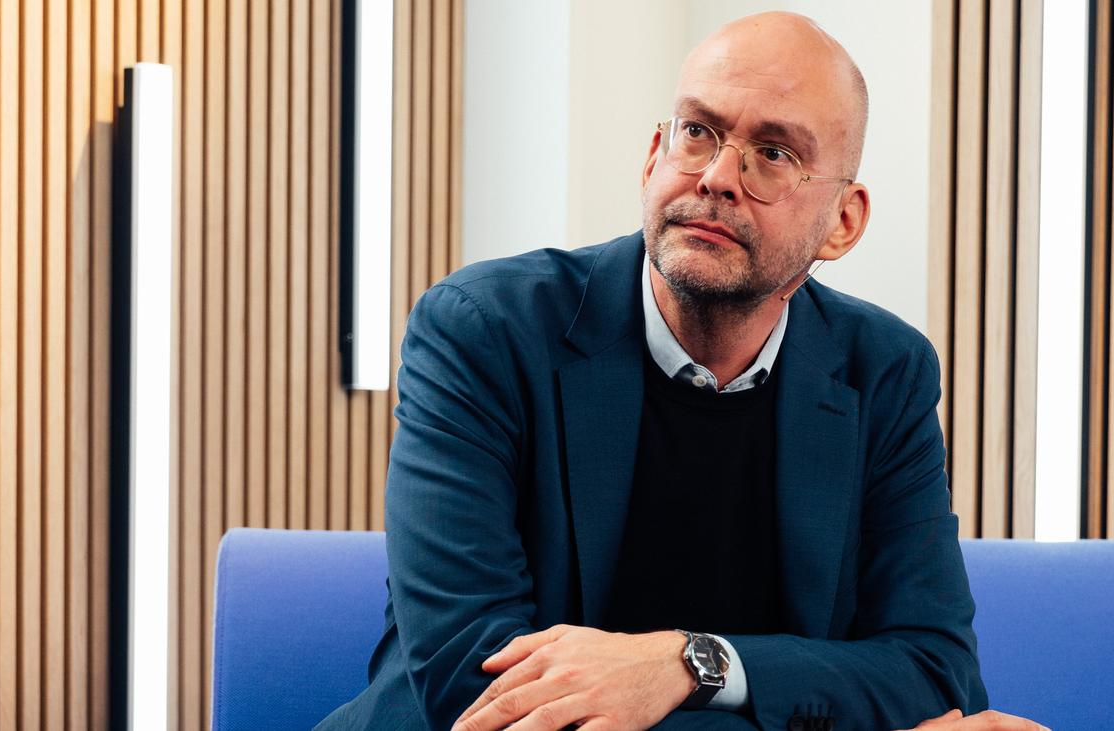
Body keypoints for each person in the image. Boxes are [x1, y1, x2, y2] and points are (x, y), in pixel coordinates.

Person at [318, 12, 1048, 731]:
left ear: (842, 222)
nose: (719, 177)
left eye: (773, 153)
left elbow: (935, 673)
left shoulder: (884, 371)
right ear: (652, 159)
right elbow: (480, 689)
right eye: (697, 132)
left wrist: (690, 663)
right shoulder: (485, 330)